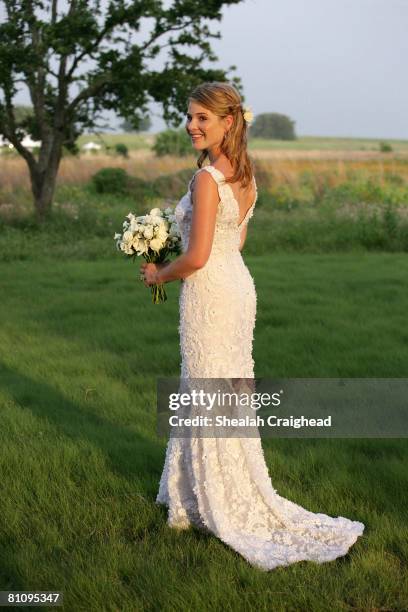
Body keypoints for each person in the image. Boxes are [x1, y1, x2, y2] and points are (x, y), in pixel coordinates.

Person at [140, 82, 365, 571]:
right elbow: (234, 243)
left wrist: (159, 271)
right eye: (189, 116)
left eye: (202, 117)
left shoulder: (206, 179)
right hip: (237, 287)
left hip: (209, 293)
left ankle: (212, 503)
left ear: (228, 122)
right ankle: (192, 495)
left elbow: (197, 257)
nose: (192, 125)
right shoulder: (244, 174)